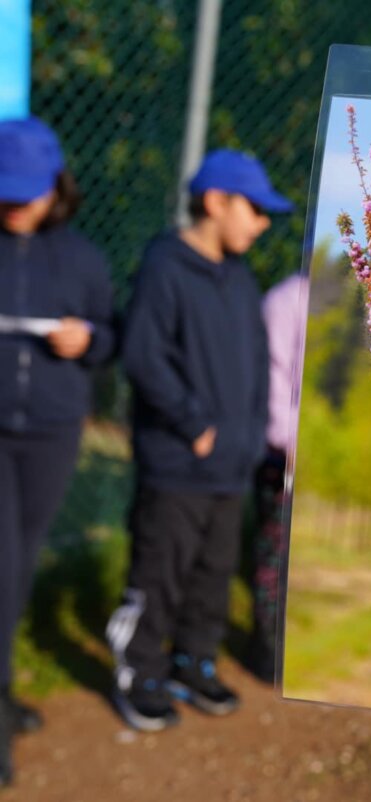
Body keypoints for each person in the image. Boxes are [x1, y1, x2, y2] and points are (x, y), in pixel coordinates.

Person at [106, 150, 292, 731]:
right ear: (215, 203)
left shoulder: (239, 276)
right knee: (162, 572)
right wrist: (196, 426)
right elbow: (144, 355)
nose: (262, 224)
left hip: (233, 464)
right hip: (179, 463)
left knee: (213, 576)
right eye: (254, 210)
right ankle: (140, 671)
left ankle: (194, 662)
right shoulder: (166, 265)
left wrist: (250, 433)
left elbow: (258, 363)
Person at [0, 117, 116, 787]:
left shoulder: (82, 260)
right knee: (4, 570)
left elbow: (111, 337)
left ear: (56, 188)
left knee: (17, 568)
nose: (16, 206)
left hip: (51, 434)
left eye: (27, 192)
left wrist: (89, 342)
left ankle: (4, 696)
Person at [247, 271, 308, 682]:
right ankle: (268, 649)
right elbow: (272, 380)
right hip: (284, 454)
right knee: (277, 552)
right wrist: (291, 444)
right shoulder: (287, 300)